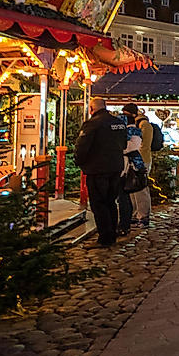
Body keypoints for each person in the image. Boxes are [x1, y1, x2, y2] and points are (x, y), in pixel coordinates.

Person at [74, 98, 127, 248]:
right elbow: (123, 144)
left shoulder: (92, 124)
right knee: (111, 201)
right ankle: (112, 234)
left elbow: (82, 146)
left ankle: (105, 238)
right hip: (116, 167)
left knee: (99, 203)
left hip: (97, 169)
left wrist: (79, 161)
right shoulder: (118, 123)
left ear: (92, 108)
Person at [117, 105, 145, 236]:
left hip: (128, 167)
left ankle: (125, 223)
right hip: (124, 166)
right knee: (123, 196)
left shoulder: (133, 132)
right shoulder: (132, 131)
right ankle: (124, 222)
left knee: (124, 196)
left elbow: (130, 148)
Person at [125, 103, 153, 228]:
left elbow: (145, 146)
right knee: (132, 188)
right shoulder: (136, 125)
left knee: (141, 188)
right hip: (133, 160)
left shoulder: (144, 125)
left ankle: (143, 216)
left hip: (142, 160)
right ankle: (135, 215)